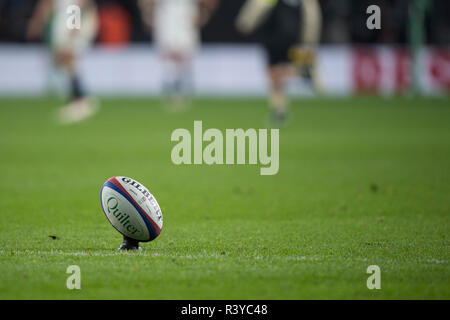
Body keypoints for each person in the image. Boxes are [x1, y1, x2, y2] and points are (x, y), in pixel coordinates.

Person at [236, 0, 322, 125]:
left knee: (274, 74)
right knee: (275, 76)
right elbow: (311, 17)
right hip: (293, 36)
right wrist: (310, 41)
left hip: (276, 35)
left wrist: (246, 22)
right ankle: (279, 110)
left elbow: (258, 5)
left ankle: (300, 73)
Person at [27, 0, 99, 124]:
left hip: (75, 14)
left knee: (67, 53)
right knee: (60, 58)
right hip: (64, 15)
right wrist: (38, 20)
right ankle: (77, 98)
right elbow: (47, 3)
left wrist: (74, 25)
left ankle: (81, 98)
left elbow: (83, 3)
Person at [138, 0, 218, 111]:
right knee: (168, 58)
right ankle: (169, 93)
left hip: (186, 12)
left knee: (185, 57)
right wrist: (148, 13)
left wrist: (204, 14)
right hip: (165, 13)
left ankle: (183, 93)